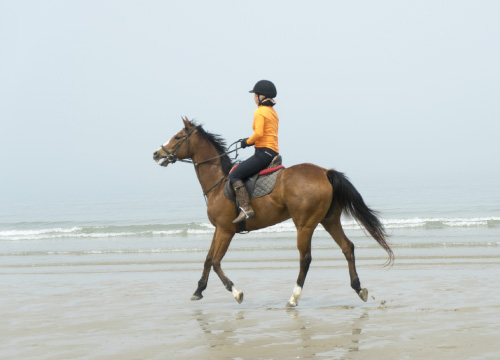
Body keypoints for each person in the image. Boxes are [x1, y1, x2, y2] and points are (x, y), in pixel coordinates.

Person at [229, 80, 280, 224]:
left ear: (260, 96)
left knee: (234, 174)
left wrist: (247, 142)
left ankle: (246, 208)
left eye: (255, 95)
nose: (254, 98)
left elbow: (258, 133)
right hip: (272, 151)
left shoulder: (259, 111)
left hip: (263, 153)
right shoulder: (272, 112)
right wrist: (251, 140)